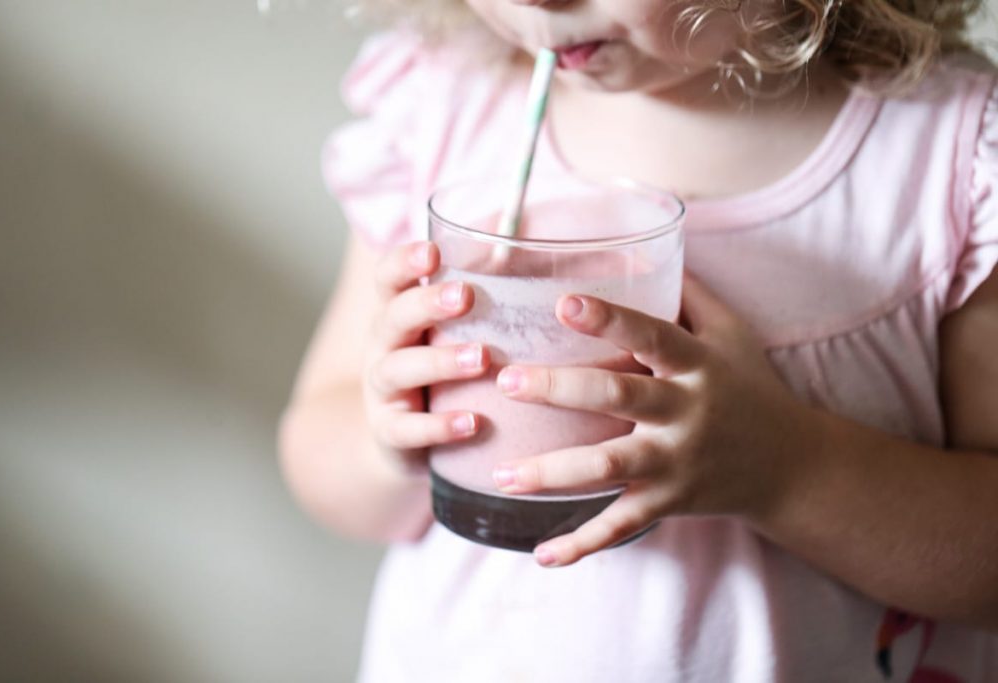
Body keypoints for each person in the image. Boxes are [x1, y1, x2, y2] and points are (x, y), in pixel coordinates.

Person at [279, 0, 998, 680]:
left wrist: (787, 471)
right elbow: (318, 452)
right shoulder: (449, 109)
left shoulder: (945, 160)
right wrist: (389, 437)